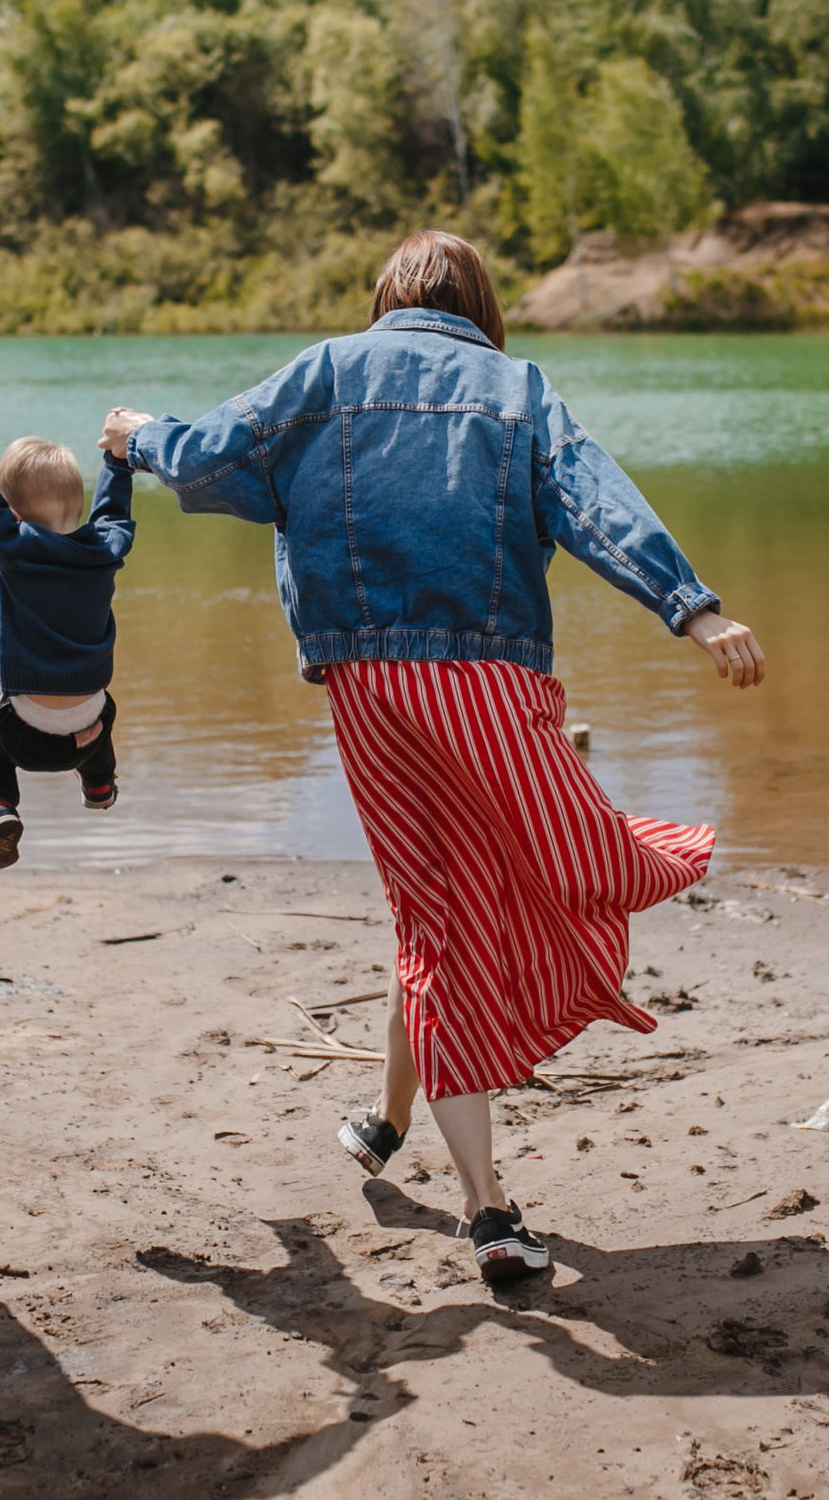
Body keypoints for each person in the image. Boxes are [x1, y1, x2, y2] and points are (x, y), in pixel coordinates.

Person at [101, 230, 763, 1285]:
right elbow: (594, 501)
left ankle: (384, 1122)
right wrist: (691, 609)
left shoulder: (325, 370)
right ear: (481, 303)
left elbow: (213, 456)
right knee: (538, 875)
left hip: (363, 684)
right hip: (486, 677)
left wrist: (137, 437)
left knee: (432, 905)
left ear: (386, 298)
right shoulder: (515, 387)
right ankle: (487, 1208)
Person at [0, 404, 136, 869]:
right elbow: (114, 511)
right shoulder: (105, 547)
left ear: (11, 513)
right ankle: (99, 783)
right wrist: (117, 459)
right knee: (104, 702)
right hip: (90, 729)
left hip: (23, 733)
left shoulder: (15, 547)